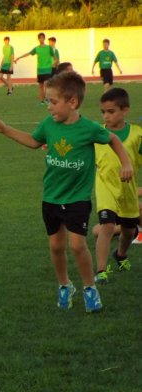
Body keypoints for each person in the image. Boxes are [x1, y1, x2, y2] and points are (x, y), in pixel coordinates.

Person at [0, 72, 133, 313]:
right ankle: (65, 285)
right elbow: (34, 142)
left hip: (77, 198)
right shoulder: (48, 125)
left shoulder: (89, 129)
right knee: (56, 246)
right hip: (51, 196)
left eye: (52, 102)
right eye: (47, 101)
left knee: (76, 245)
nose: (48, 107)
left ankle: (89, 288)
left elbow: (114, 140)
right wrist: (5, 129)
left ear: (72, 102)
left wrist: (125, 163)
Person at [93, 88, 142, 284]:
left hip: (128, 189)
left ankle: (121, 254)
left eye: (111, 111)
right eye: (103, 112)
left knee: (129, 230)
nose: (106, 116)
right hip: (105, 186)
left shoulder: (137, 134)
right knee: (107, 225)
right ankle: (101, 270)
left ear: (125, 110)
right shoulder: (97, 132)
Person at [15, 32, 57, 104]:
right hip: (40, 70)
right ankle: (42, 101)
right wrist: (18, 58)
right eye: (40, 38)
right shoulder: (37, 48)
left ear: (44, 38)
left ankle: (47, 98)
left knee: (46, 83)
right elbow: (28, 53)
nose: (41, 39)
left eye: (42, 38)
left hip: (47, 69)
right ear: (38, 39)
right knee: (41, 86)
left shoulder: (48, 48)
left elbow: (55, 58)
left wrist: (53, 64)